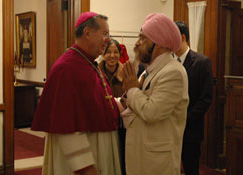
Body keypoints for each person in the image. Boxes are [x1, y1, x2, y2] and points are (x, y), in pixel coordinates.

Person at [31, 12, 122, 175]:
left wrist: (122, 103)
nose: (108, 39)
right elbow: (65, 124)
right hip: (82, 160)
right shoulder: (66, 69)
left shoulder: (88, 63)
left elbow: (97, 103)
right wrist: (86, 167)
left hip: (98, 148)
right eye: (105, 34)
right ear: (87, 33)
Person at [121, 13, 189, 175]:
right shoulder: (152, 71)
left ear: (159, 44)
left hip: (156, 163)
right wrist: (129, 94)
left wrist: (132, 90)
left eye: (143, 38)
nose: (137, 43)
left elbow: (152, 112)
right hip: (144, 156)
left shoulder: (173, 72)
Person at [174, 21, 213, 175]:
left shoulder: (202, 62)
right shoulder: (168, 62)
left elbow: (205, 99)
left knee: (191, 169)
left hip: (191, 129)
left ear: (182, 37)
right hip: (169, 128)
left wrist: (184, 119)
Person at [98, 39, 126, 175]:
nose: (112, 56)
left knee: (121, 155)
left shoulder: (126, 72)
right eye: (108, 52)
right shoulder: (95, 72)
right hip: (102, 122)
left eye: (116, 52)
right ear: (103, 54)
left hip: (122, 123)